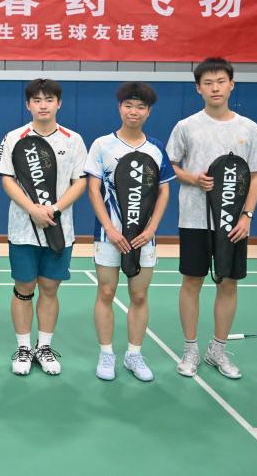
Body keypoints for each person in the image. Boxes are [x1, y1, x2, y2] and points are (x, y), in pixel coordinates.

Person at [166, 58, 257, 380]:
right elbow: (171, 166)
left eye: (221, 81)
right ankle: (190, 349)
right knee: (192, 282)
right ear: (198, 88)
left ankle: (218, 350)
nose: (215, 88)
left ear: (231, 85)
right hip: (195, 219)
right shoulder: (186, 126)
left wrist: (247, 216)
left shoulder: (249, 128)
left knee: (228, 283)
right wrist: (192, 178)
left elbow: (256, 175)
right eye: (208, 83)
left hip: (233, 223)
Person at [0, 78, 87, 376]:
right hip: (23, 229)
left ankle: (44, 347)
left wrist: (54, 209)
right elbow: (7, 179)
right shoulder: (14, 137)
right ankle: (23, 348)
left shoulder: (73, 140)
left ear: (59, 103)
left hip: (59, 229)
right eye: (37, 100)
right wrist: (32, 209)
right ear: (28, 105)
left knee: (49, 288)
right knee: (24, 288)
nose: (43, 105)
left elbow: (80, 182)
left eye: (49, 100)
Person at [84, 82, 173, 382]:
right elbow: (93, 190)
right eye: (129, 105)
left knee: (139, 294)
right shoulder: (102, 145)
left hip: (144, 237)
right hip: (109, 236)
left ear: (148, 112)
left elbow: (163, 191)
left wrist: (151, 229)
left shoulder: (156, 148)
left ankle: (134, 354)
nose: (134, 111)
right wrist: (109, 229)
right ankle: (106, 354)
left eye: (140, 107)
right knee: (106, 292)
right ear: (119, 107)